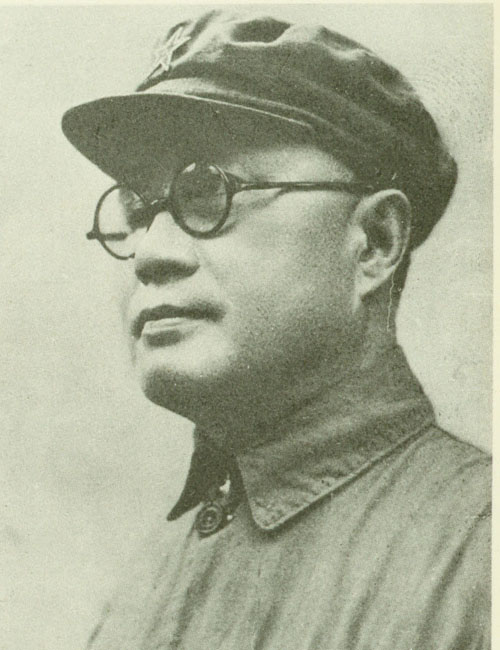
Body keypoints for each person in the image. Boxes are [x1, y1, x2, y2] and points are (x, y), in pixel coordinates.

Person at [61, 9, 491, 650]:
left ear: (375, 242)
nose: (151, 253)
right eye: (137, 209)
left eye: (209, 193)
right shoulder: (141, 589)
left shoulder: (478, 552)